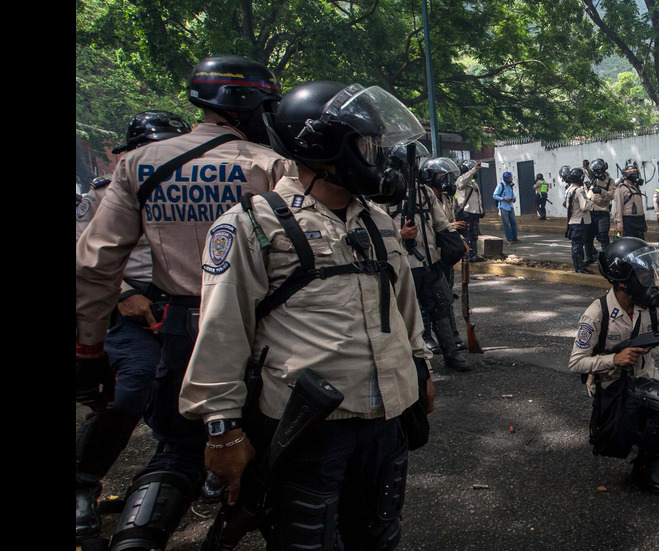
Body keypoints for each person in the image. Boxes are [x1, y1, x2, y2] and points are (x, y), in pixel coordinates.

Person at [179, 80, 434, 550]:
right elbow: (222, 329)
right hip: (309, 424)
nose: (376, 157)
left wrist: (420, 367)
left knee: (378, 532)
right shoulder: (253, 222)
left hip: (386, 417)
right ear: (320, 145)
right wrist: (222, 428)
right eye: (365, 144)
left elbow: (403, 306)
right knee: (306, 540)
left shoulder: (377, 220)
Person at [75, 55, 291, 551]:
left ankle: (136, 539)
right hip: (259, 331)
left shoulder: (137, 165)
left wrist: (89, 353)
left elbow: (94, 266)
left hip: (181, 327)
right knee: (277, 452)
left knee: (177, 449)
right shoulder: (269, 165)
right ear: (247, 103)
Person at [74, 111, 191, 544]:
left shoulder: (192, 187)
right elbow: (88, 259)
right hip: (127, 312)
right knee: (133, 388)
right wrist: (124, 294)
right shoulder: (105, 196)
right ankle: (84, 482)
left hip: (184, 307)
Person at [568, 237, 659, 497]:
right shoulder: (597, 313)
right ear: (622, 279)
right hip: (612, 388)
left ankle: (646, 439)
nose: (649, 277)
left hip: (645, 380)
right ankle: (644, 468)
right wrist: (614, 359)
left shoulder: (651, 304)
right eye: (643, 272)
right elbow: (576, 362)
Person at [395, 156, 473, 372]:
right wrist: (400, 235)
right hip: (403, 264)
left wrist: (458, 242)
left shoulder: (424, 192)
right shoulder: (385, 192)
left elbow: (441, 223)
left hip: (429, 261)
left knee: (442, 305)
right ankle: (414, 362)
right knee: (407, 312)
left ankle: (451, 354)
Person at [415, 156, 471, 363]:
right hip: (413, 260)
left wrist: (459, 242)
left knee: (444, 300)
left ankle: (452, 348)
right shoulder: (406, 196)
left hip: (437, 256)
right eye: (440, 175)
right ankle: (426, 338)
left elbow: (444, 224)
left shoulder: (434, 197)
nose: (444, 180)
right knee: (421, 304)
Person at [582, 158, 616, 264]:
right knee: (588, 236)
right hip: (591, 211)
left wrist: (601, 191)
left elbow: (611, 196)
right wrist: (586, 166)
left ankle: (607, 259)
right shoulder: (594, 179)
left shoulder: (610, 181)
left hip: (602, 211)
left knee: (603, 236)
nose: (597, 173)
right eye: (595, 171)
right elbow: (588, 172)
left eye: (598, 171)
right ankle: (589, 257)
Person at [564, 166, 595, 274]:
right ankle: (580, 268)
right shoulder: (579, 191)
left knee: (575, 246)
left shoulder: (568, 189)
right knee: (578, 246)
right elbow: (584, 206)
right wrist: (591, 201)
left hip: (572, 221)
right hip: (580, 221)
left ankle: (577, 266)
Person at [455, 159, 486, 261]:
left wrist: (480, 211)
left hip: (474, 213)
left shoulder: (473, 183)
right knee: (467, 235)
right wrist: (474, 169)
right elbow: (461, 183)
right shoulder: (461, 180)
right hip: (467, 213)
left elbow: (477, 199)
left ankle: (474, 254)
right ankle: (468, 255)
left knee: (474, 235)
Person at [612, 160, 646, 240]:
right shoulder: (621, 189)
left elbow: (640, 206)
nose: (637, 177)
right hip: (628, 222)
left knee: (640, 244)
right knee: (629, 243)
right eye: (636, 175)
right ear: (631, 176)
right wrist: (619, 224)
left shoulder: (636, 188)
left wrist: (644, 223)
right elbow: (618, 208)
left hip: (639, 221)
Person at [494, 171, 519, 243]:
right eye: (509, 178)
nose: (510, 179)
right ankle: (509, 239)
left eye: (511, 177)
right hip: (504, 206)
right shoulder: (500, 186)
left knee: (513, 222)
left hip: (510, 206)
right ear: (505, 178)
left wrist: (514, 198)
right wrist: (503, 199)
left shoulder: (510, 186)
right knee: (506, 223)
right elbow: (495, 195)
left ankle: (515, 238)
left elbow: (512, 194)